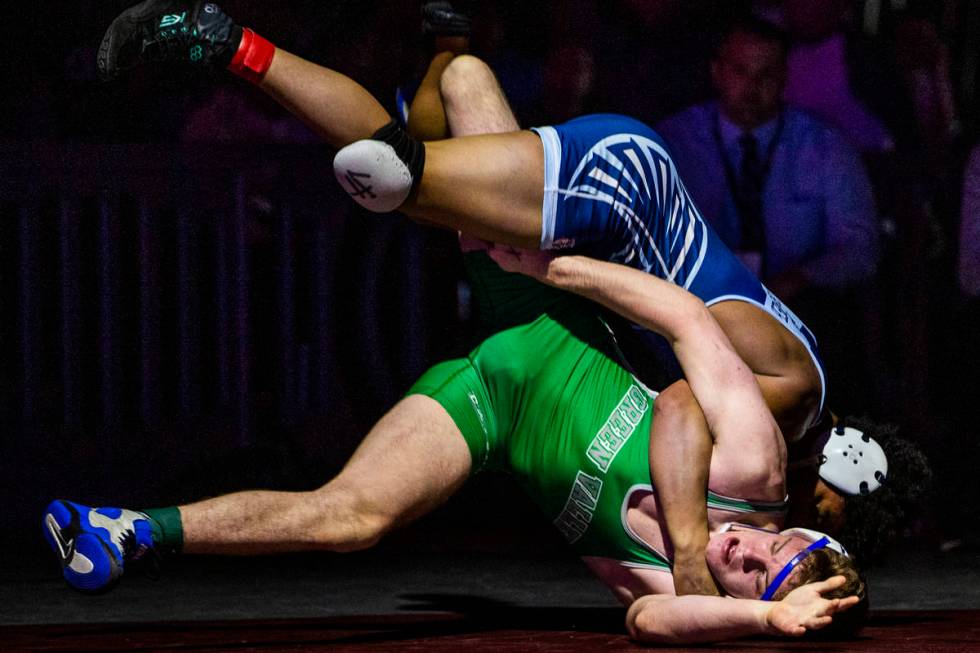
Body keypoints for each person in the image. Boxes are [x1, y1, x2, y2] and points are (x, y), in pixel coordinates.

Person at [44, 232, 865, 644]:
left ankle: (130, 529)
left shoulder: (685, 598)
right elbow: (685, 357)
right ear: (788, 519)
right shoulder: (753, 467)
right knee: (457, 100)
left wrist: (758, 622)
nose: (744, 557)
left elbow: (650, 626)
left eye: (757, 582)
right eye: (772, 550)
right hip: (550, 315)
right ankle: (431, 49)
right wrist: (551, 270)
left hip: (490, 404)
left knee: (352, 518)